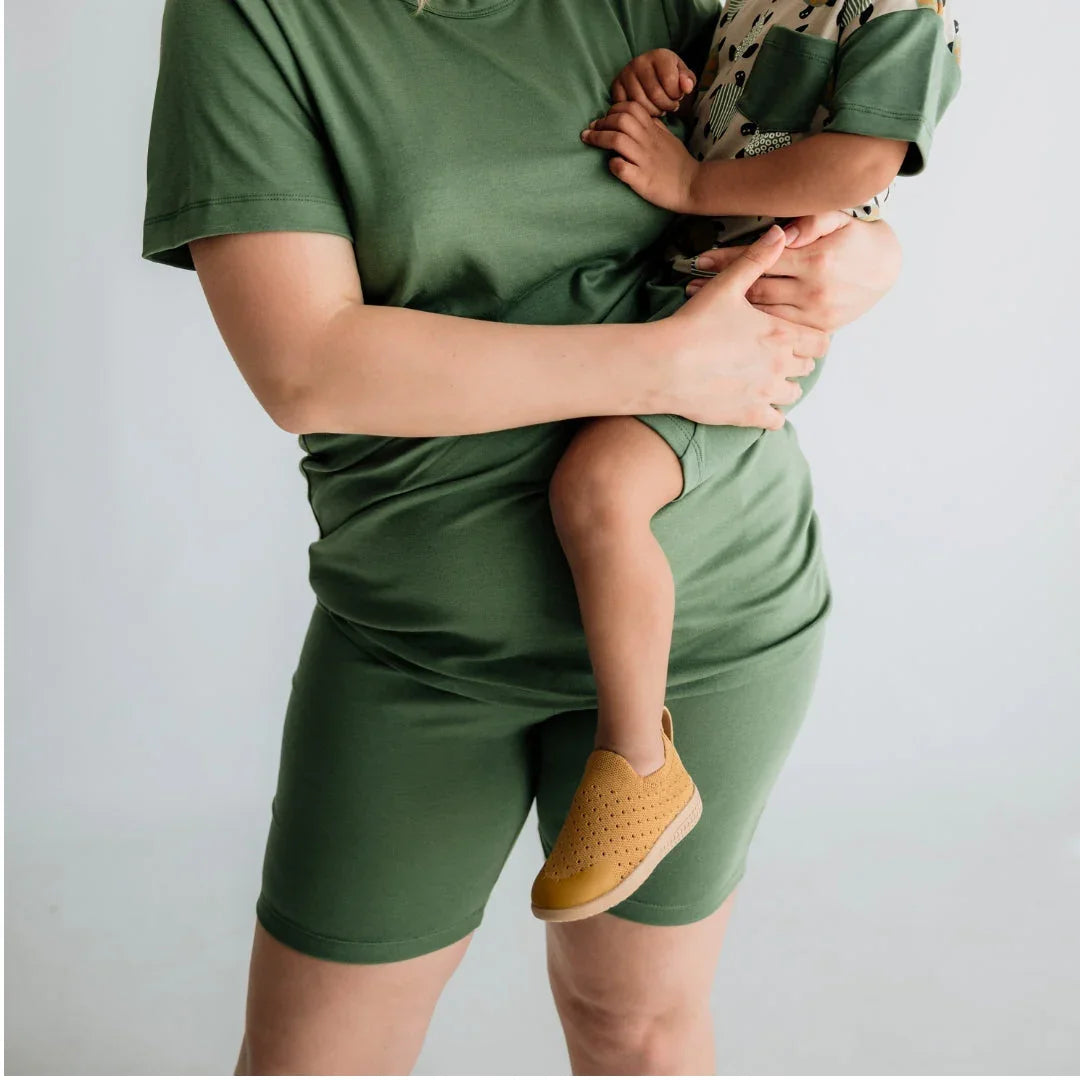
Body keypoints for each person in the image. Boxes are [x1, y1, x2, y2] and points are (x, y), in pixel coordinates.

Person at [142, 0, 904, 1072]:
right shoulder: (253, 20)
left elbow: (796, 156)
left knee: (635, 1029)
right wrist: (662, 365)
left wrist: (870, 254)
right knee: (313, 1061)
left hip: (714, 622)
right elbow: (305, 365)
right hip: (419, 642)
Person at [531, 0, 961, 922]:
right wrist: (663, 73)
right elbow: (719, 85)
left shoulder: (899, 13)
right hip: (666, 296)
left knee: (601, 485)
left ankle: (638, 765)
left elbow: (862, 160)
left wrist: (689, 186)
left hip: (754, 318)